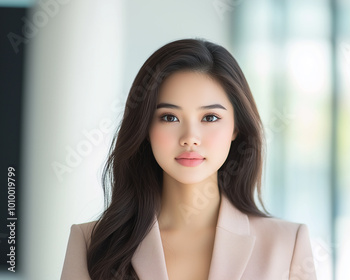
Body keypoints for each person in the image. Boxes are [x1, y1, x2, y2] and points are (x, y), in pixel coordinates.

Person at [60, 38, 317, 280]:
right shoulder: (90, 243)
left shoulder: (288, 244)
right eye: (169, 117)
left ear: (236, 128)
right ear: (145, 128)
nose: (190, 138)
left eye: (210, 118)